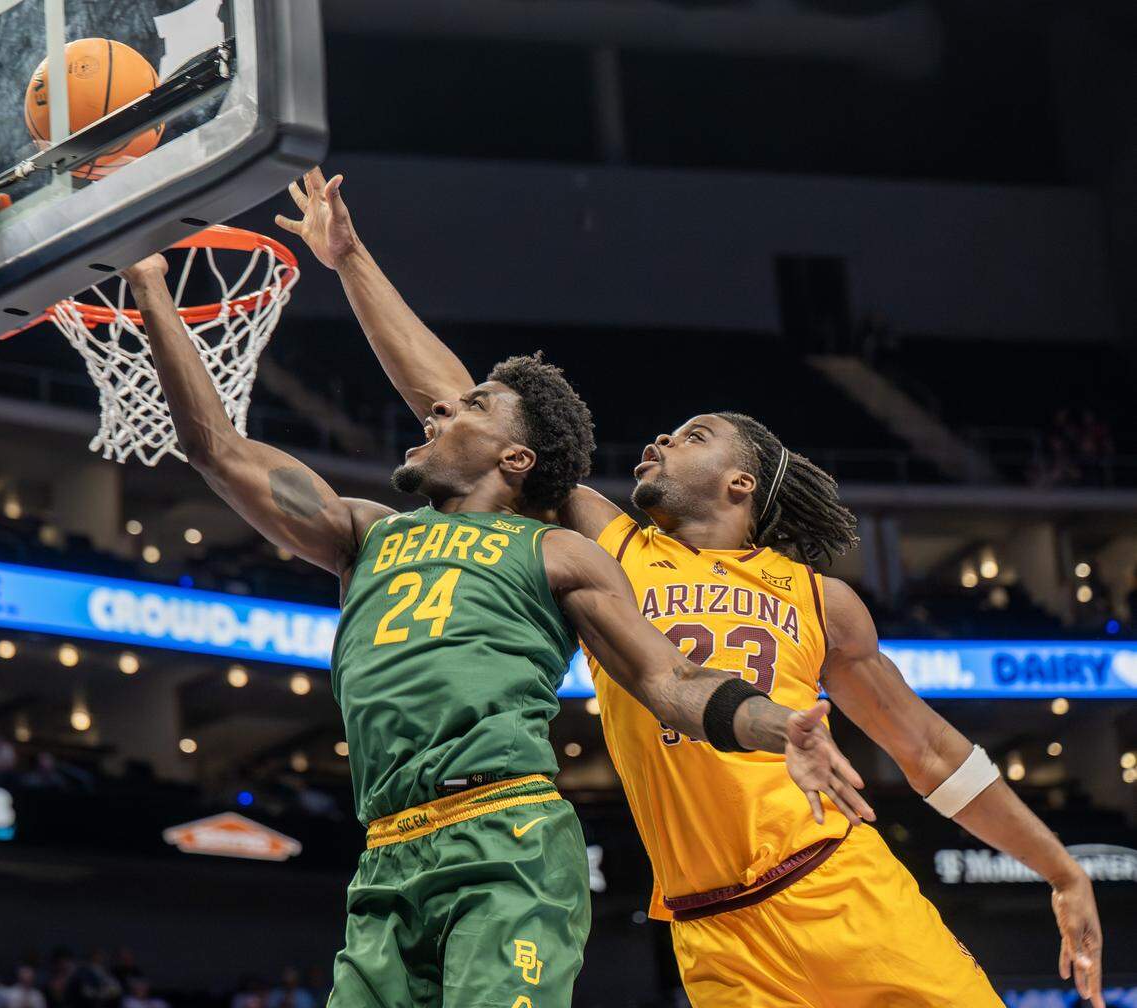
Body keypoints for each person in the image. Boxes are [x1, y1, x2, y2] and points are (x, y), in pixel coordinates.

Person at [284, 169, 1108, 1008]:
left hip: (840, 889)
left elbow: (929, 752)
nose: (660, 440)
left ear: (741, 483)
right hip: (713, 934)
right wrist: (351, 262)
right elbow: (461, 410)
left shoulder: (821, 599)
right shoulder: (613, 548)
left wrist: (1061, 868)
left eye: (691, 436)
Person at [122, 251, 867, 1008]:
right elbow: (215, 447)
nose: (438, 411)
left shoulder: (559, 552)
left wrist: (780, 726)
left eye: (466, 408)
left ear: (516, 457)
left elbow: (669, 680)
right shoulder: (363, 532)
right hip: (386, 851)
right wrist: (150, 287)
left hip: (506, 838)